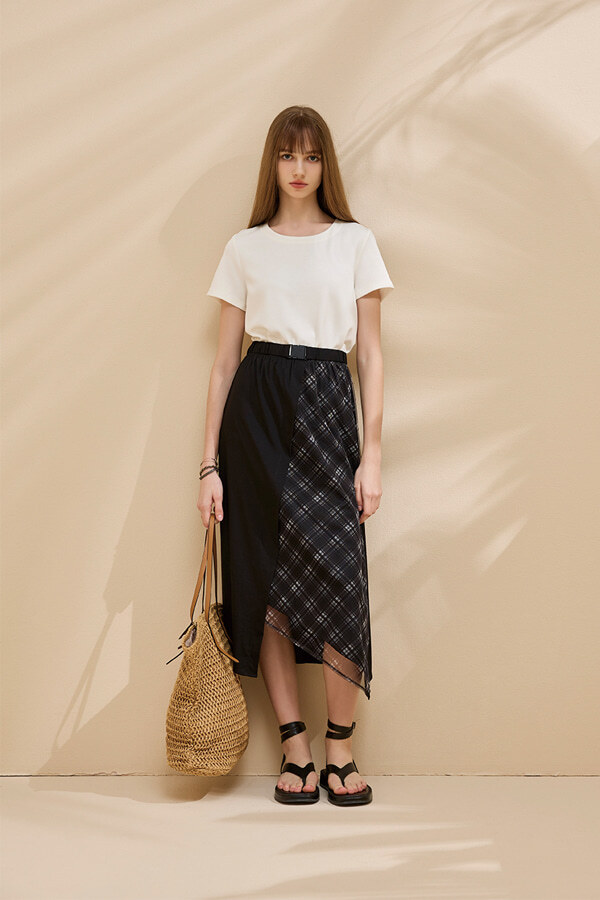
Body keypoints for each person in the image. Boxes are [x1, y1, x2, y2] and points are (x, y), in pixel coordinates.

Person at [197, 106, 393, 806]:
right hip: (256, 413)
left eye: (310, 155)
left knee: (340, 577)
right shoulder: (245, 247)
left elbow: (370, 355)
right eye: (287, 155)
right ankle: (296, 745)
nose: (299, 168)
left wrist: (373, 455)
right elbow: (225, 363)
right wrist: (209, 464)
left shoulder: (355, 241)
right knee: (268, 583)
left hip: (327, 405)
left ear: (324, 163)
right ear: (273, 165)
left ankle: (341, 745)